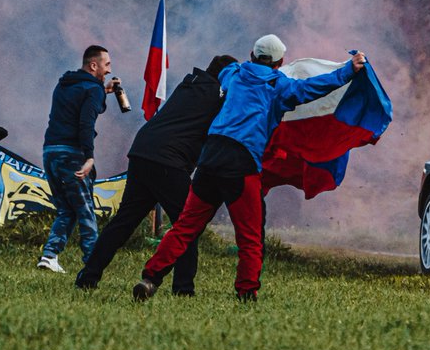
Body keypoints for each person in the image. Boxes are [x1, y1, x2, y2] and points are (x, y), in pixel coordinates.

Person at [133, 34, 366, 303]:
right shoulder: (279, 85)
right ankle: (246, 292)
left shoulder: (233, 73)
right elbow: (311, 88)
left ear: (252, 56)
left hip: (211, 156)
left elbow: (227, 71)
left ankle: (149, 279)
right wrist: (348, 71)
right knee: (250, 235)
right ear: (280, 62)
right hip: (241, 162)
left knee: (185, 226)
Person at [75, 54, 237, 293]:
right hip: (168, 161)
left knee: (123, 222)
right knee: (187, 225)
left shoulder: (190, 84)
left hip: (142, 152)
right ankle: (183, 289)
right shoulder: (217, 97)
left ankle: (88, 277)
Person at [36, 45, 118, 273]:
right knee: (85, 209)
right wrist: (89, 157)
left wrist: (103, 91)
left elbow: (80, 102)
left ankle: (49, 256)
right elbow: (86, 123)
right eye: (107, 64)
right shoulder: (93, 90)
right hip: (72, 154)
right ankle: (92, 263)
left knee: (66, 208)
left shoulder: (64, 84)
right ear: (94, 65)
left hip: (50, 151)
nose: (109, 70)